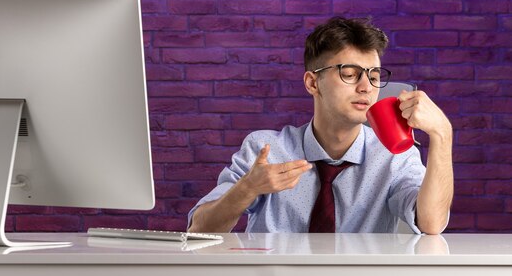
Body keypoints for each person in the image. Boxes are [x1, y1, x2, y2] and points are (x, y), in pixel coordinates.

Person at [187, 17, 453, 234]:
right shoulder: (265, 149)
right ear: (313, 83)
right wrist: (247, 189)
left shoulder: (394, 156)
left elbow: (431, 224)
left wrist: (442, 134)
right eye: (349, 74)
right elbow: (199, 229)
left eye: (374, 76)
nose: (366, 87)